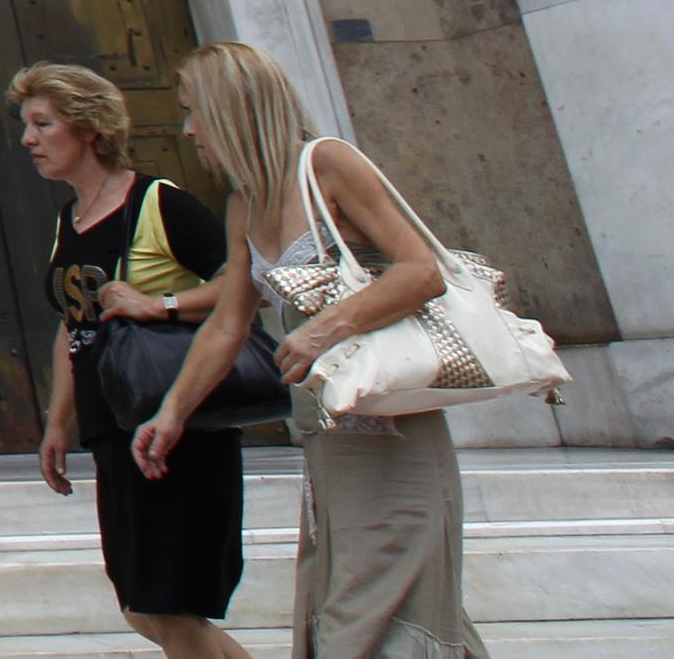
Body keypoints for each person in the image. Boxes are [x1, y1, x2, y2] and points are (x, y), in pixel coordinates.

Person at [136, 41, 485, 659]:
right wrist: (172, 412)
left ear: (231, 108)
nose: (188, 130)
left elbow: (422, 270)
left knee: (375, 610)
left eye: (193, 110)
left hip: (395, 427)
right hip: (329, 434)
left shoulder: (328, 164)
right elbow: (228, 325)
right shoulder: (243, 205)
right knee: (360, 600)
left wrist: (326, 327)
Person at [12, 61, 246, 659]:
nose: (29, 139)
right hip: (112, 427)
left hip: (173, 428)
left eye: (43, 123)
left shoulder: (158, 202)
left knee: (167, 606)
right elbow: (73, 323)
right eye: (27, 125)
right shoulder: (70, 218)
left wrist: (158, 304)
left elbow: (245, 286)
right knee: (143, 608)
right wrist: (58, 422)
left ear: (89, 127)